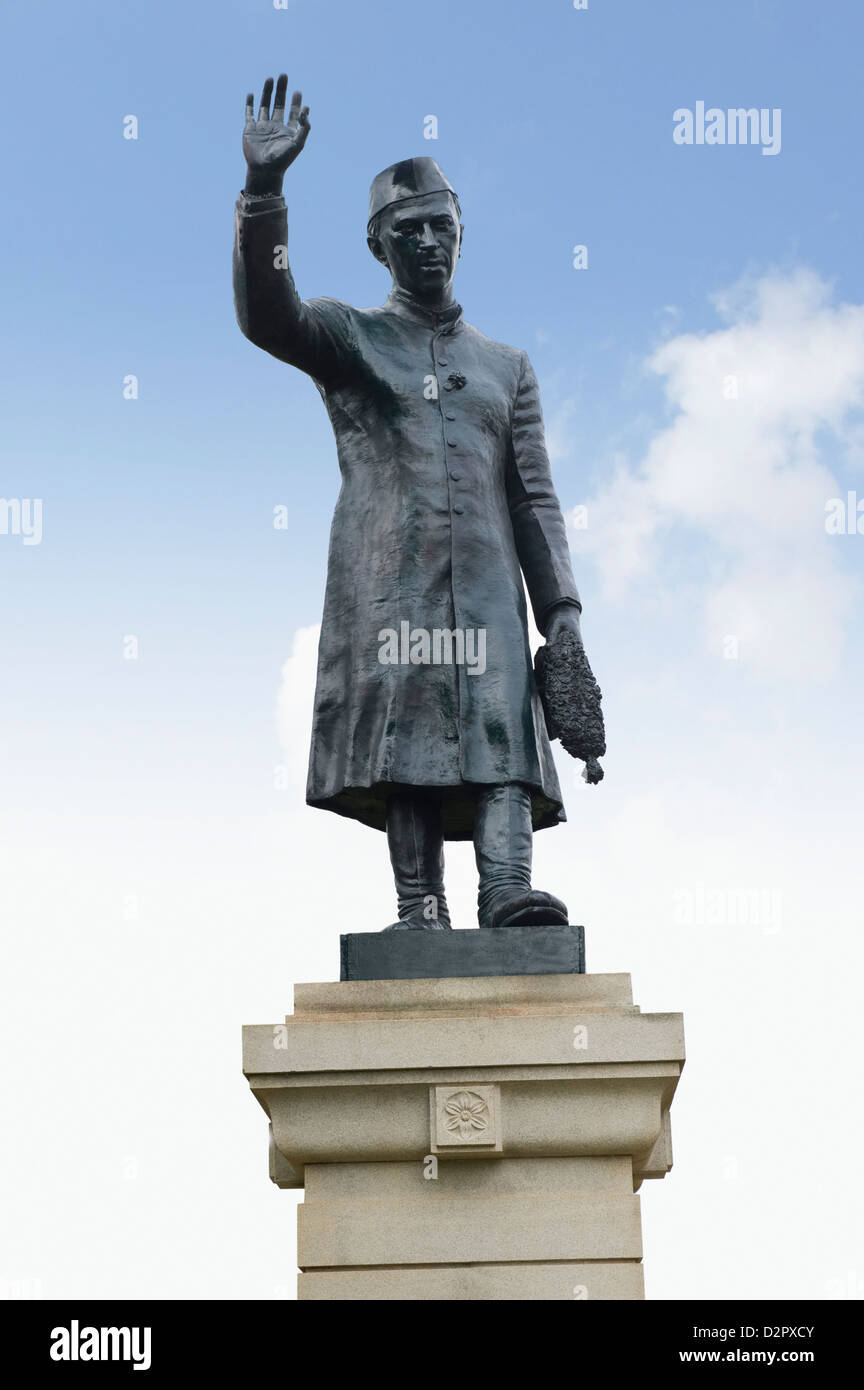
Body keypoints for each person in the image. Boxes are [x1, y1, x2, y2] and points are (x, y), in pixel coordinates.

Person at [234, 75, 589, 931]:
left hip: (493, 592)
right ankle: (417, 906)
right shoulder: (352, 337)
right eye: (409, 231)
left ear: (463, 236)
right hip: (390, 580)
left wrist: (563, 614)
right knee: (409, 729)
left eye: (442, 228)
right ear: (376, 245)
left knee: (501, 721)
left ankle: (507, 889)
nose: (429, 243)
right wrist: (264, 193)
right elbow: (268, 315)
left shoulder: (507, 366)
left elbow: (534, 498)